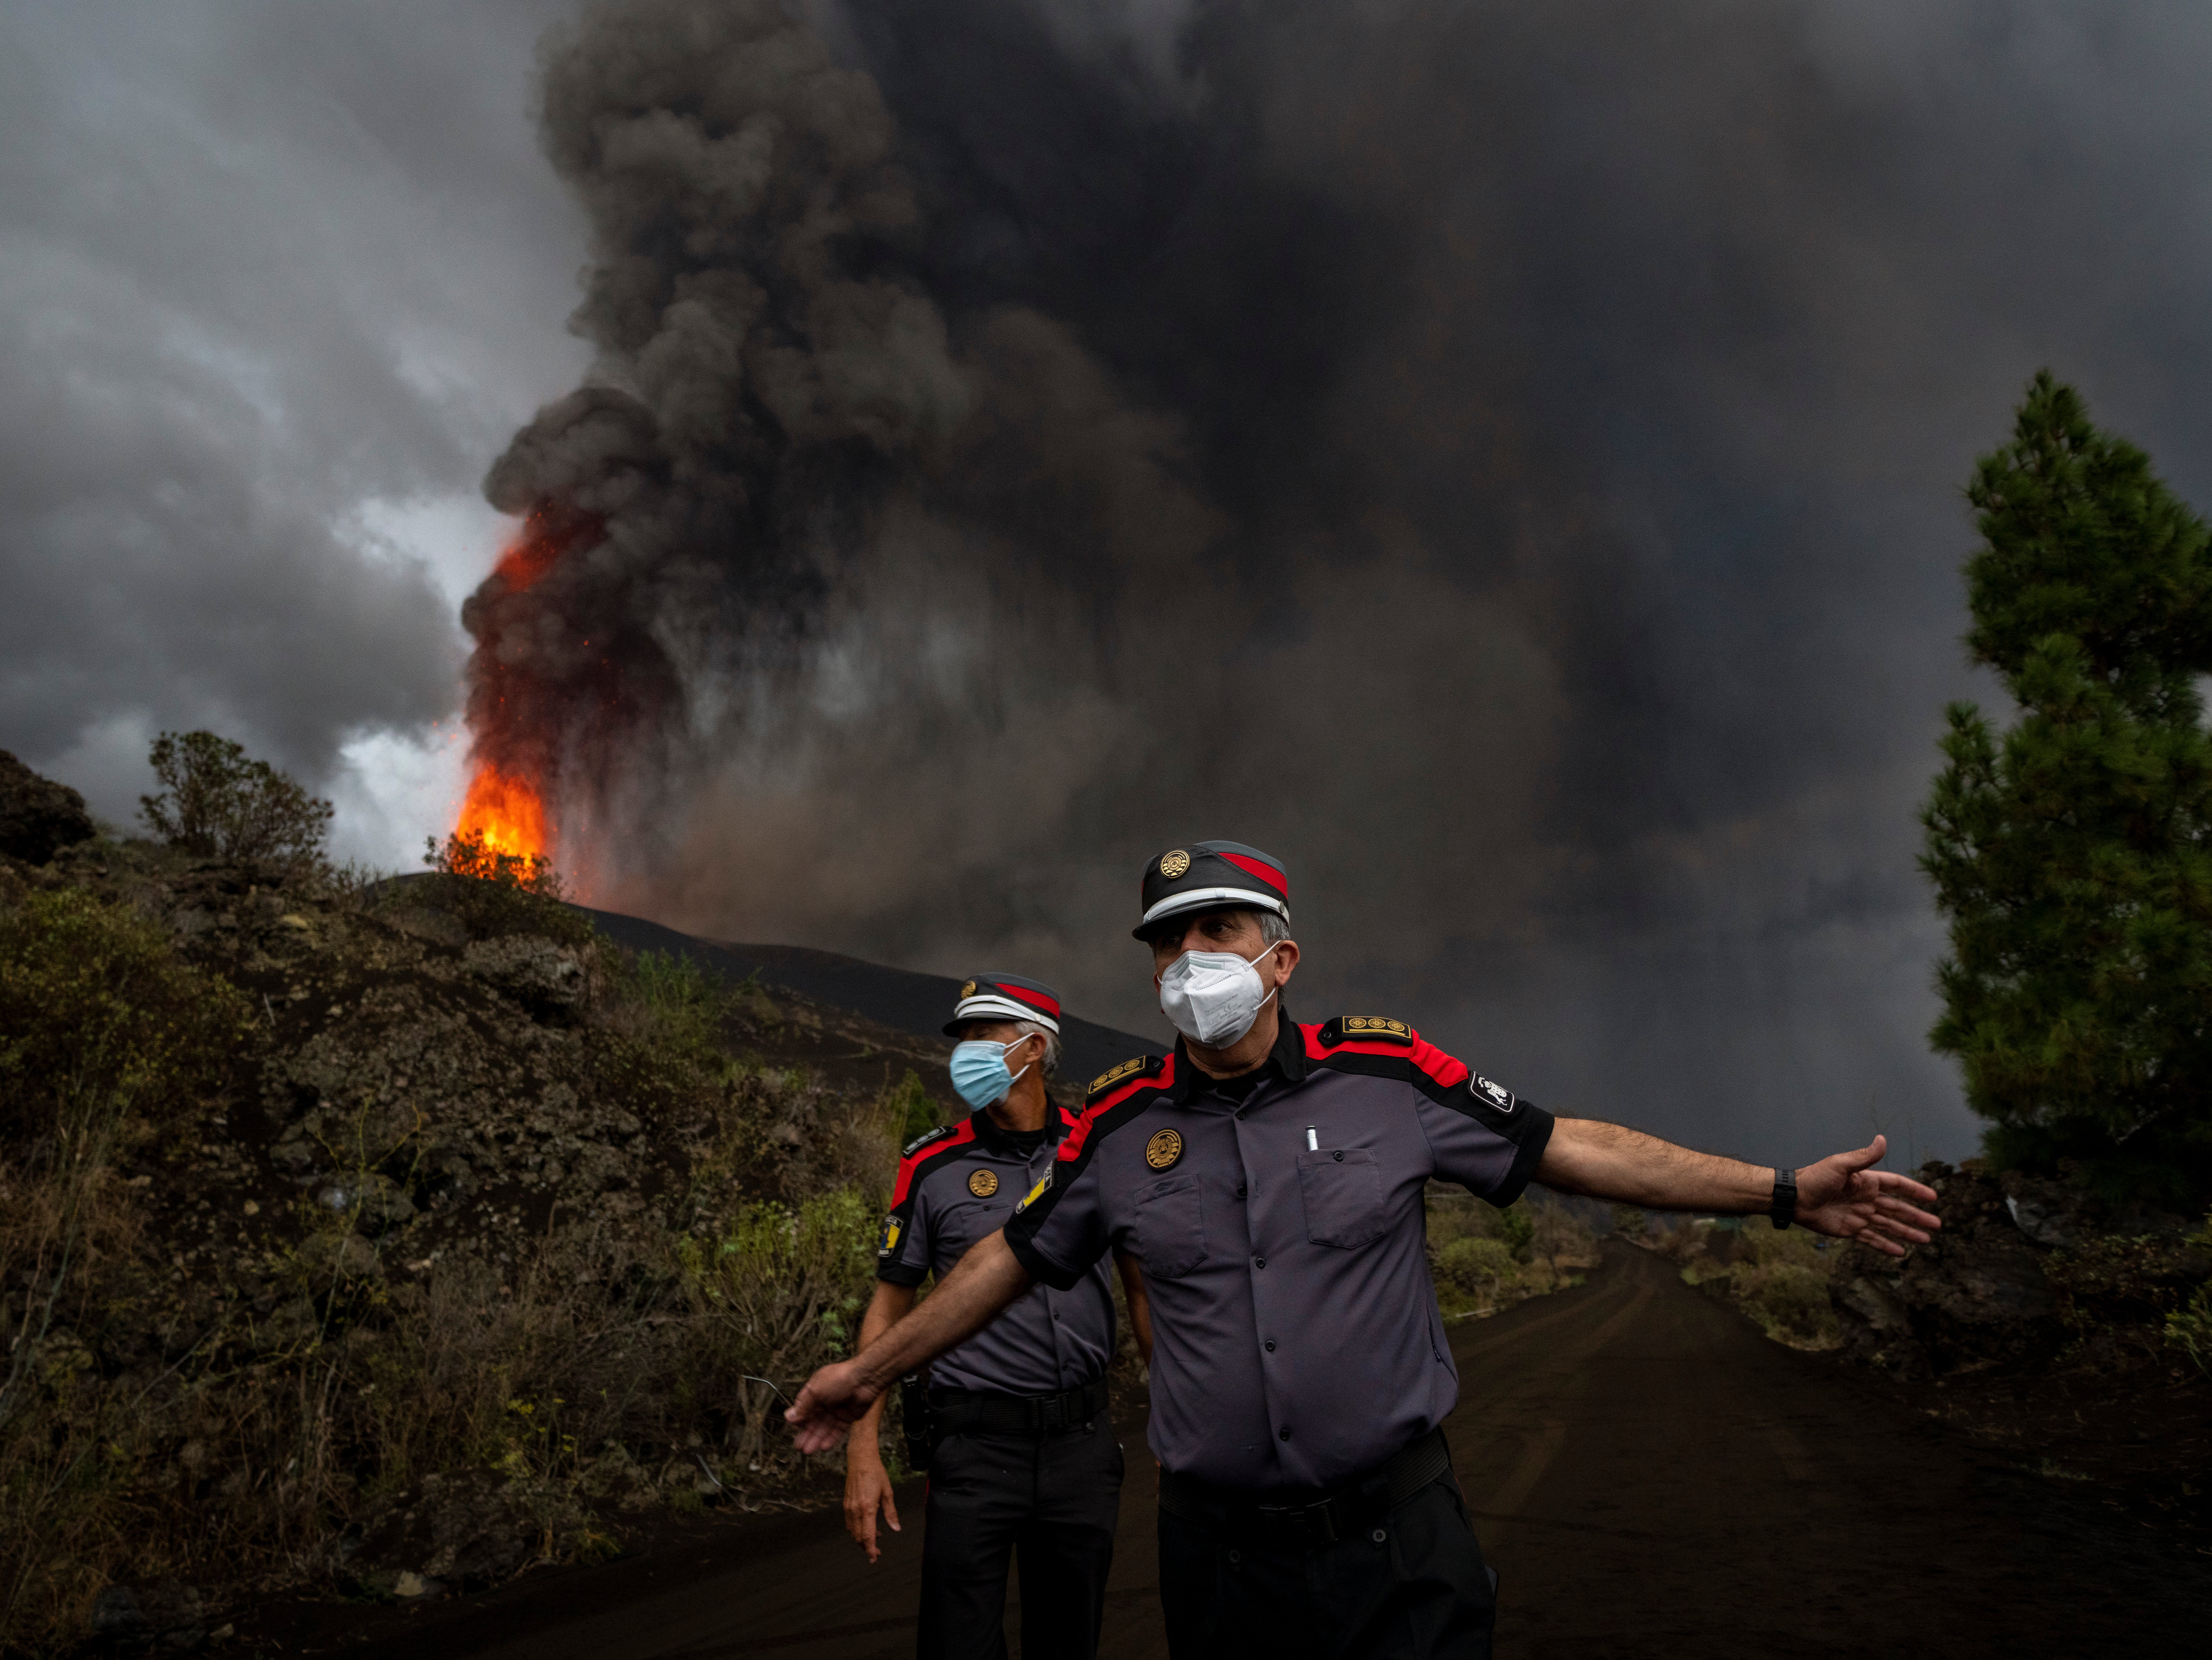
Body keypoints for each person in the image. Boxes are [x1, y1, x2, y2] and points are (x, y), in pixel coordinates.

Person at [794, 845, 1942, 1660]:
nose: (1188, 959)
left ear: (1281, 957)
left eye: (1216, 930)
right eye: (1166, 941)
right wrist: (865, 1375)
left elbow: (1571, 1147)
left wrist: (1782, 1191)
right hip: (1218, 1560)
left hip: (1398, 1546)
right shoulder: (1116, 1121)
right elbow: (1008, 1257)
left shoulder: (1384, 1076)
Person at [841, 971, 1153, 1660]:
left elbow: (1141, 1291)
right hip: (975, 1449)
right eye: (962, 1037)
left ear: (1036, 1046)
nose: (966, 1051)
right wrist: (863, 1448)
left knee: (1068, 1642)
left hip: (1081, 1446)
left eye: (986, 1035)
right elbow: (889, 1303)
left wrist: (1187, 1415)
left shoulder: (1100, 1151)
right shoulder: (931, 1164)